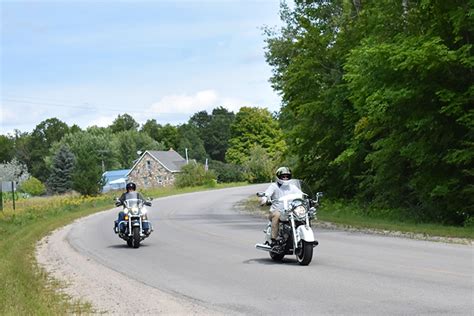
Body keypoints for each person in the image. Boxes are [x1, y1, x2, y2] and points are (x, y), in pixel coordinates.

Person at [259, 167, 303, 248]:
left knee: (303, 215)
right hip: (276, 211)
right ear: (279, 177)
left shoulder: (292, 187)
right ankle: (274, 240)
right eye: (283, 176)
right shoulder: (274, 186)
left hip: (290, 211)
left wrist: (309, 200)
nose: (285, 178)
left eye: (287, 176)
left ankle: (304, 239)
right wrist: (264, 199)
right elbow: (267, 194)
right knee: (277, 215)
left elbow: (301, 194)